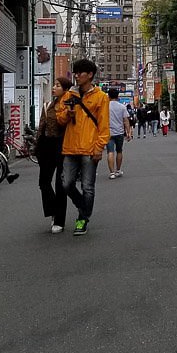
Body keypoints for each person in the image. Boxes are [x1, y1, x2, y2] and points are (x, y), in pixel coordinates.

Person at [56, 59, 111, 236]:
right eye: (76, 72)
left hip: (89, 148)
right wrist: (67, 113)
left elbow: (104, 126)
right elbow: (60, 120)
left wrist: (99, 148)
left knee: (88, 186)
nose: (77, 75)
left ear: (90, 75)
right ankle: (83, 206)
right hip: (70, 147)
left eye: (80, 73)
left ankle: (82, 219)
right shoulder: (69, 95)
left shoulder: (101, 97)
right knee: (66, 184)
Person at [34, 77, 72, 233]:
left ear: (65, 89)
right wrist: (37, 146)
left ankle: (59, 220)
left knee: (60, 184)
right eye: (54, 85)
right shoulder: (47, 105)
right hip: (47, 145)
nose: (54, 88)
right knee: (44, 182)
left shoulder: (69, 105)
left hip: (63, 145)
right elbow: (41, 127)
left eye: (58, 85)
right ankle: (52, 210)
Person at [105, 88, 133, 179]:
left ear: (108, 96)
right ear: (118, 96)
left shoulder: (105, 106)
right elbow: (126, 121)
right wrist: (128, 132)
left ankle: (111, 173)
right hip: (119, 132)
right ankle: (118, 170)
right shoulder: (122, 107)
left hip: (108, 132)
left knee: (110, 152)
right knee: (119, 151)